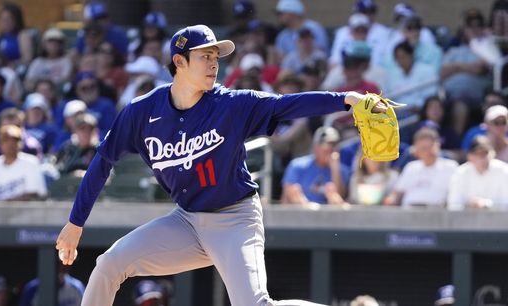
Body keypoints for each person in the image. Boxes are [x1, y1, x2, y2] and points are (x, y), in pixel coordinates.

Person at [55, 24, 386, 306]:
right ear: (179, 61)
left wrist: (345, 99)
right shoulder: (142, 112)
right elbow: (102, 160)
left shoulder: (231, 104)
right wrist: (75, 223)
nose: (214, 64)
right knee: (109, 263)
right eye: (205, 56)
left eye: (216, 57)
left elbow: (287, 105)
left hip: (235, 219)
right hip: (185, 222)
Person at [384, 127, 458, 207]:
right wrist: (391, 200)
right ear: (416, 151)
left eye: (431, 147)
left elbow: (456, 196)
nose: (429, 151)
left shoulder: (451, 167)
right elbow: (397, 193)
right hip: (409, 213)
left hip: (437, 214)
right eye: (424, 148)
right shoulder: (411, 167)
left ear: (438, 146)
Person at [0, 125, 47, 201]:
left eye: (15, 140)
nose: (10, 144)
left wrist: (6, 204)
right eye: (6, 140)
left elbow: (33, 194)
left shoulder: (31, 162)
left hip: (25, 211)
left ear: (21, 144)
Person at [282, 126, 350, 206]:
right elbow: (287, 196)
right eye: (326, 145)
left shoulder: (342, 170)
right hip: (301, 213)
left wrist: (335, 169)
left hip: (330, 216)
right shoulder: (298, 166)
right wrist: (307, 206)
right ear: (316, 147)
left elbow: (340, 197)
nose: (330, 149)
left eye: (333, 145)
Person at [447, 136, 508, 210]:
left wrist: (486, 204)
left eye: (484, 153)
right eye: (477, 153)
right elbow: (453, 204)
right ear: (469, 156)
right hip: (467, 219)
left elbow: (506, 203)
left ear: (492, 154)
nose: (481, 157)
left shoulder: (503, 170)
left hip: (498, 219)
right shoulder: (460, 172)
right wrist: (469, 205)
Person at [19, 265, 85, 306]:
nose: (61, 267)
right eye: (57, 263)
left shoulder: (76, 287)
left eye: (62, 263)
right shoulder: (33, 288)